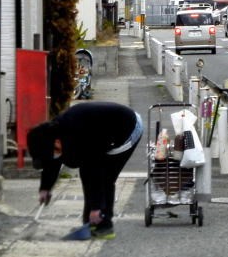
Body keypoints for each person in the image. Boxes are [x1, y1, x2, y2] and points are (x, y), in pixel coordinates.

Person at [27, 102, 143, 240]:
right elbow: (52, 162)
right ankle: (90, 224)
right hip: (102, 130)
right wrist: (45, 188)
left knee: (105, 177)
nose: (55, 155)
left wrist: (96, 208)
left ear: (57, 143)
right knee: (86, 172)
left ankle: (104, 225)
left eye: (54, 151)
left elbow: (96, 170)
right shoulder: (52, 133)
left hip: (128, 128)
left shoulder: (80, 135)